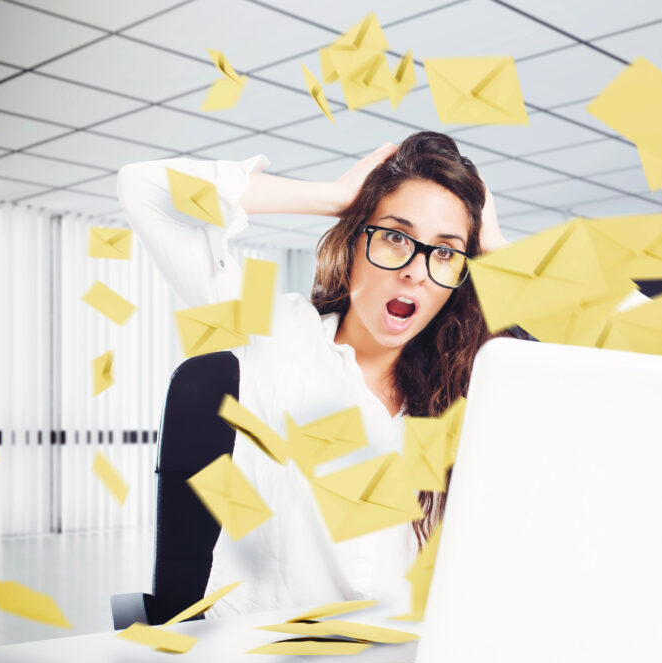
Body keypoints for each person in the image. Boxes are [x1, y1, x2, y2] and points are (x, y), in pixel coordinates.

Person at [117, 132, 513, 617]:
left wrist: (496, 248)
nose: (416, 270)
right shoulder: (277, 328)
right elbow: (146, 190)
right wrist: (335, 198)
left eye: (445, 252)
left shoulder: (471, 387)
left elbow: (631, 343)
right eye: (393, 236)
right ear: (351, 244)